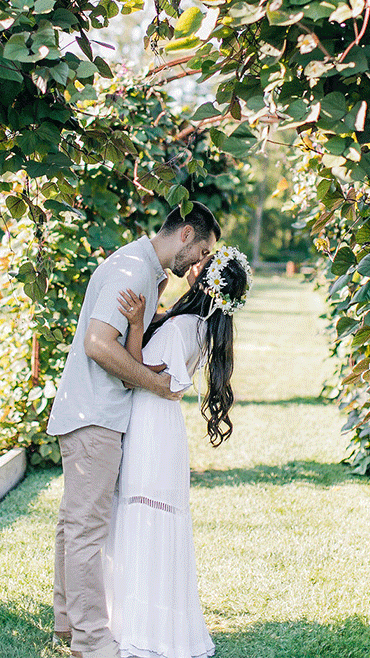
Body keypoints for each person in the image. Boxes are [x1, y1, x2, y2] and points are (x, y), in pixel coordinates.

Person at [47, 203, 221, 658]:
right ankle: (91, 640)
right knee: (87, 529)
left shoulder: (146, 270)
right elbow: (98, 344)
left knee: (74, 525)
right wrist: (158, 383)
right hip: (96, 413)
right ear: (186, 235)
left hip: (92, 410)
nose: (200, 263)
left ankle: (67, 625)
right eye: (202, 250)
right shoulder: (133, 268)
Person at [105, 245, 252, 658]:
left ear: (206, 282)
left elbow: (137, 372)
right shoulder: (201, 325)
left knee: (142, 516)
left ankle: (141, 629)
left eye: (204, 262)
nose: (195, 260)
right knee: (148, 519)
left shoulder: (184, 325)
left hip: (151, 428)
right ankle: (147, 622)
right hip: (162, 431)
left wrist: (136, 325)